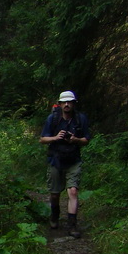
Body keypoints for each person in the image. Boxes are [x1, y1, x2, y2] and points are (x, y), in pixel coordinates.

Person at [39, 90, 90, 238]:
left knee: (73, 191)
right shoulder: (52, 119)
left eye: (70, 102)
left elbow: (86, 140)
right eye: (64, 102)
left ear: (74, 104)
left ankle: (72, 225)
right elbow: (42, 139)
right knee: (55, 194)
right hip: (55, 159)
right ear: (60, 104)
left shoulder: (80, 119)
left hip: (73, 160)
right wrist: (55, 138)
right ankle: (55, 216)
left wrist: (75, 140)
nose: (67, 105)